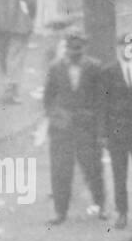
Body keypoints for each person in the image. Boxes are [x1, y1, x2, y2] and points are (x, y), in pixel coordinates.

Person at [42, 33, 106, 224]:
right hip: (63, 129)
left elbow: (102, 99)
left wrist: (99, 127)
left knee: (93, 168)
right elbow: (48, 98)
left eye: (79, 49)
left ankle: (100, 206)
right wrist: (57, 116)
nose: (75, 53)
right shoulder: (55, 68)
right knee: (61, 170)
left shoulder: (95, 67)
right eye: (71, 49)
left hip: (87, 127)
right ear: (66, 49)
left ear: (85, 48)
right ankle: (60, 212)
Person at [102, 33, 132, 230]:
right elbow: (103, 102)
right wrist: (104, 134)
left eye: (131, 46)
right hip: (116, 130)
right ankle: (122, 213)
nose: (127, 49)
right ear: (118, 48)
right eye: (124, 46)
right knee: (119, 174)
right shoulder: (108, 71)